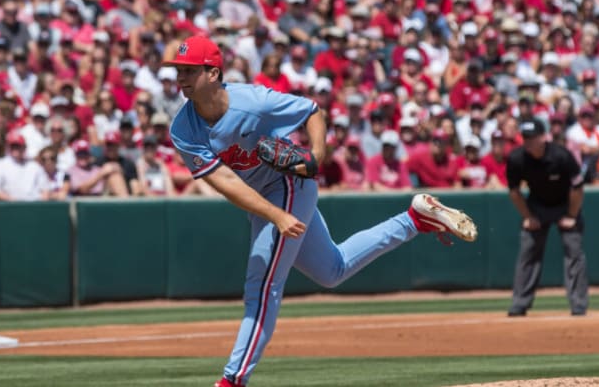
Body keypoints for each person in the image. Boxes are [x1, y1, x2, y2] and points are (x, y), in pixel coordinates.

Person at [164, 36, 477, 387]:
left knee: (263, 285)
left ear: (214, 73)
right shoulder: (183, 128)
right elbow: (224, 181)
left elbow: (312, 110)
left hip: (287, 185)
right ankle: (415, 218)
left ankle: (233, 380)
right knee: (332, 269)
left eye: (190, 70)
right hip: (267, 199)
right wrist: (274, 215)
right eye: (178, 71)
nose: (181, 77)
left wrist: (316, 156)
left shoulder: (252, 101)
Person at [505, 118, 589, 317]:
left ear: (543, 137)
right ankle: (520, 303)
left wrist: (571, 215)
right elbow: (514, 192)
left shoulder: (561, 155)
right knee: (528, 251)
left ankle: (578, 304)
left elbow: (577, 188)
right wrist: (527, 216)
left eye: (532, 138)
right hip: (537, 206)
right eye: (525, 138)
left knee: (574, 252)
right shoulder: (517, 158)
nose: (528, 142)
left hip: (565, 205)